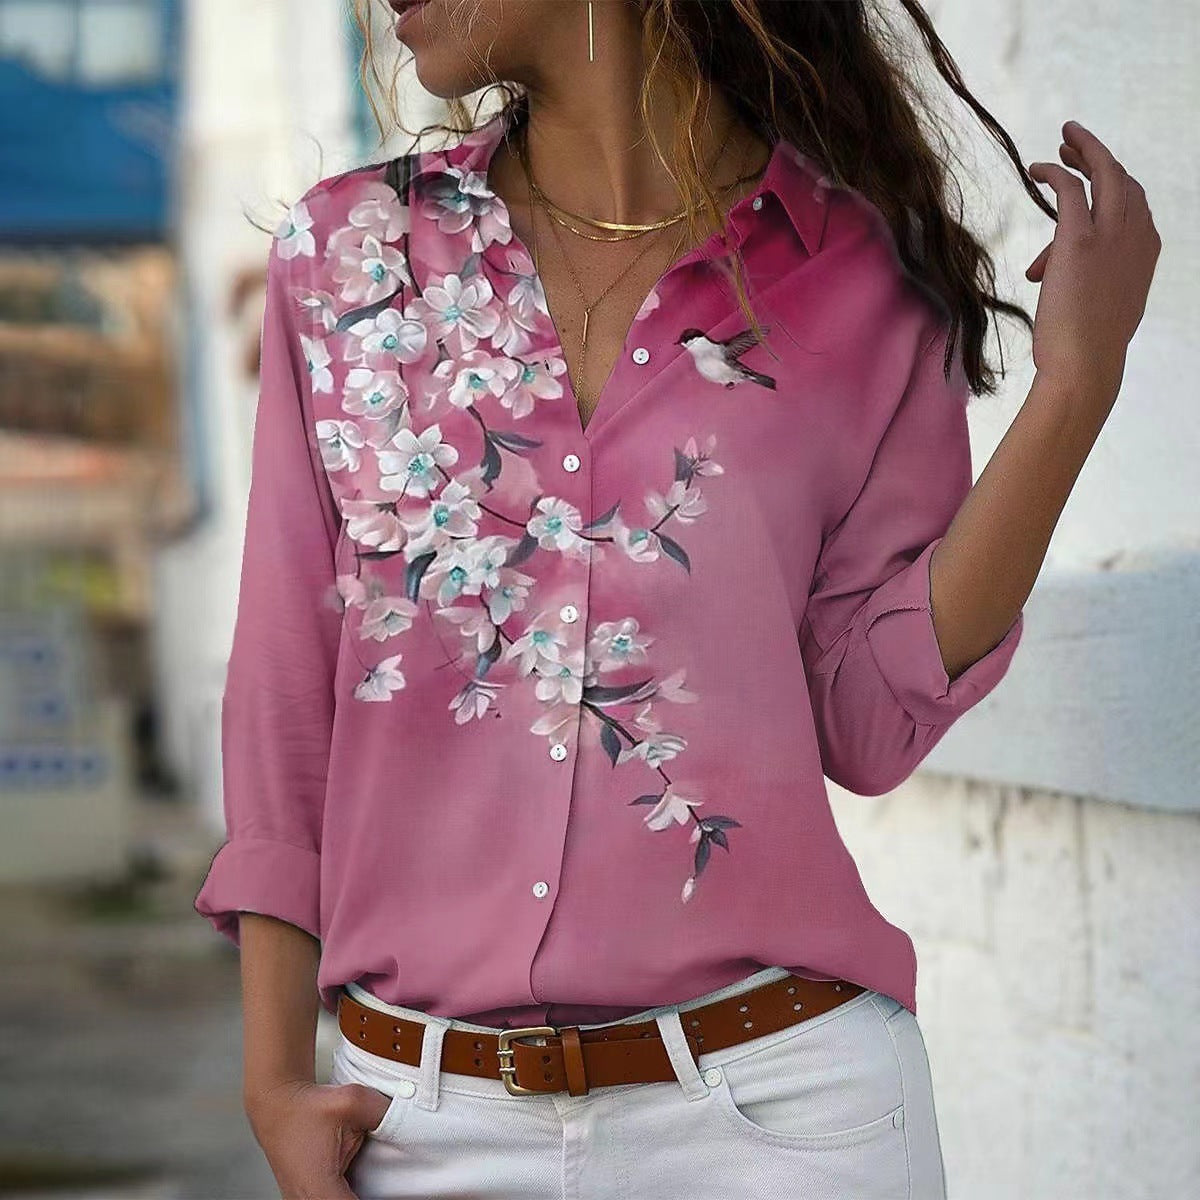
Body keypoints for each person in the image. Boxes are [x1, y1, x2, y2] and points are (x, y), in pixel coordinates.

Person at [193, 1, 1160, 1197]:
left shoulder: (864, 276)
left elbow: (864, 718)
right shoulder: (353, 253)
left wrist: (1075, 391)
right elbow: (288, 673)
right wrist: (273, 1073)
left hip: (782, 1118)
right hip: (418, 1127)